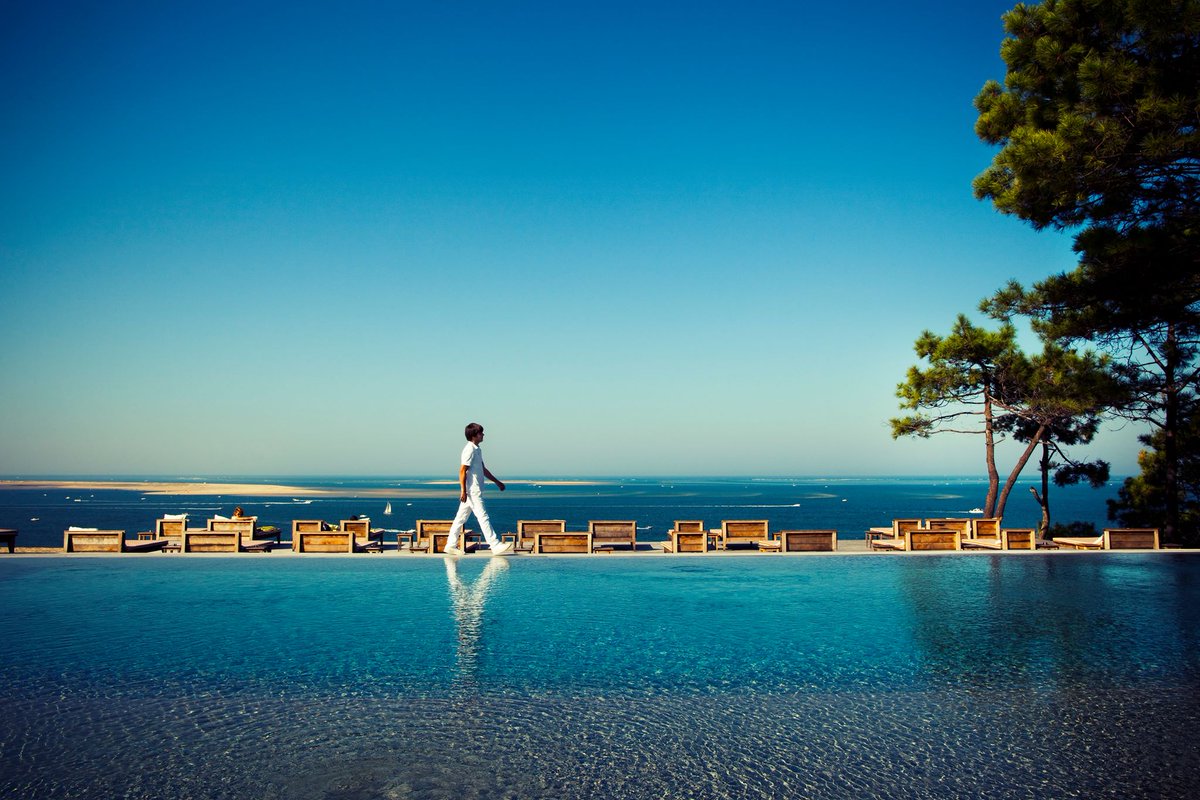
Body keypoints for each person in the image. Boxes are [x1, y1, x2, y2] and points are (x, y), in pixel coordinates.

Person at [445, 423, 514, 556]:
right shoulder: (469, 450)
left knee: (460, 518)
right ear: (474, 435)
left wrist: (497, 482)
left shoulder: (477, 449)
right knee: (483, 517)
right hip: (472, 491)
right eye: (481, 433)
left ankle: (450, 545)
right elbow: (462, 470)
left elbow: (483, 469)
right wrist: (463, 491)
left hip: (474, 490)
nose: (483, 435)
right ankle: (495, 545)